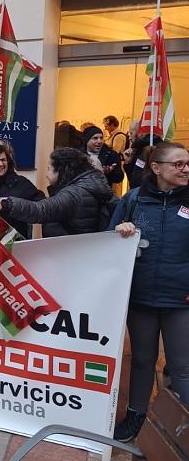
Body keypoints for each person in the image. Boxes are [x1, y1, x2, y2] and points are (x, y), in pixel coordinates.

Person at [110, 142, 189, 442]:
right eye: (178, 164)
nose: (185, 169)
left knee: (182, 368)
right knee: (143, 361)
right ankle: (136, 419)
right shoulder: (133, 201)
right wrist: (120, 232)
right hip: (141, 297)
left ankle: (182, 427)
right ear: (156, 168)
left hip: (181, 300)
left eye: (187, 164)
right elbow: (107, 241)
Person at [0, 147, 113, 237]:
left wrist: (7, 204)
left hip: (70, 254)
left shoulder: (73, 194)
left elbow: (40, 210)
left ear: (61, 171)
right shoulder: (84, 187)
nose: (46, 174)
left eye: (49, 169)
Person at [0, 143, 45, 239]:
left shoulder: (21, 183)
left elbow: (42, 207)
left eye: (4, 160)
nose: (1, 164)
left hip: (15, 244)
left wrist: (12, 205)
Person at [82, 125, 124, 192]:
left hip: (103, 195)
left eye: (101, 138)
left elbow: (119, 178)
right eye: (95, 138)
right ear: (87, 140)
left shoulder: (111, 155)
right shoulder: (78, 156)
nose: (99, 141)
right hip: (83, 195)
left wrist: (110, 172)